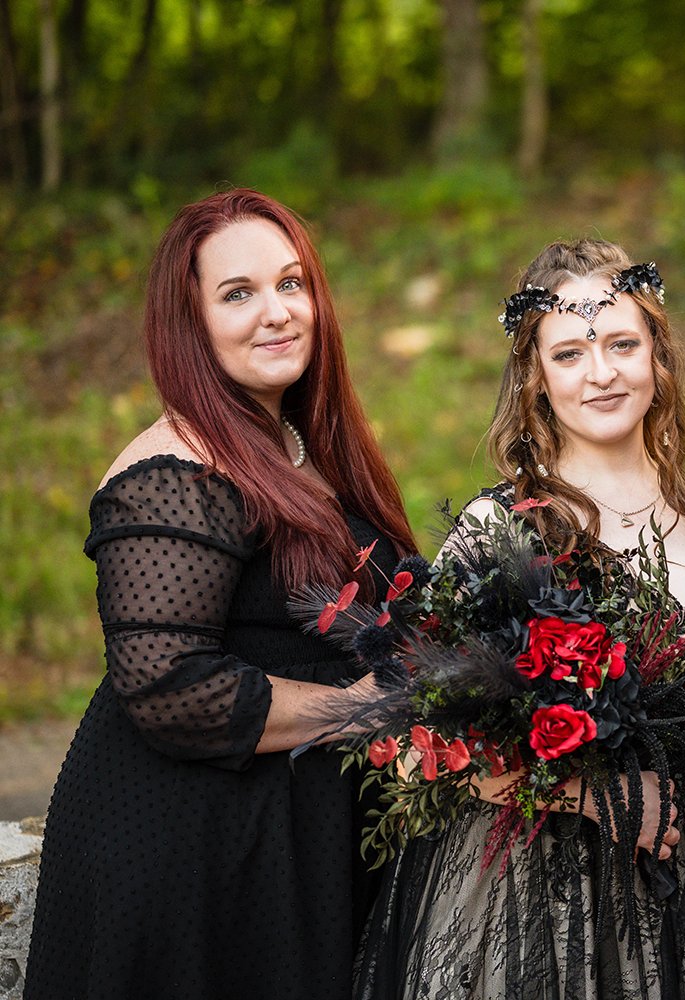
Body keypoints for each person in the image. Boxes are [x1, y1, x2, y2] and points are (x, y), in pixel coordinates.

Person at [25, 189, 418, 1000]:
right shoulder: (178, 470)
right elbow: (171, 688)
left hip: (283, 844)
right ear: (190, 320)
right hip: (187, 856)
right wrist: (365, 708)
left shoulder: (299, 446)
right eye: (237, 294)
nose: (275, 312)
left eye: (291, 283)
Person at [353, 239, 685, 1000]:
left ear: (658, 358)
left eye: (623, 344)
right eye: (570, 354)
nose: (601, 373)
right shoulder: (503, 532)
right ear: (536, 379)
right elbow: (417, 746)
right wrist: (600, 799)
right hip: (530, 899)